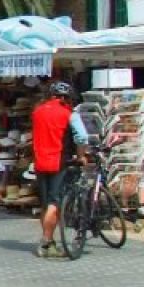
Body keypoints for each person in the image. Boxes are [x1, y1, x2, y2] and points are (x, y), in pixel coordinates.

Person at [31, 80, 94, 257]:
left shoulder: (37, 112)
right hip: (59, 162)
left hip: (40, 161)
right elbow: (82, 137)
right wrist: (81, 156)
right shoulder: (69, 114)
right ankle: (45, 243)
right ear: (67, 98)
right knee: (54, 203)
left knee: (45, 204)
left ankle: (49, 241)